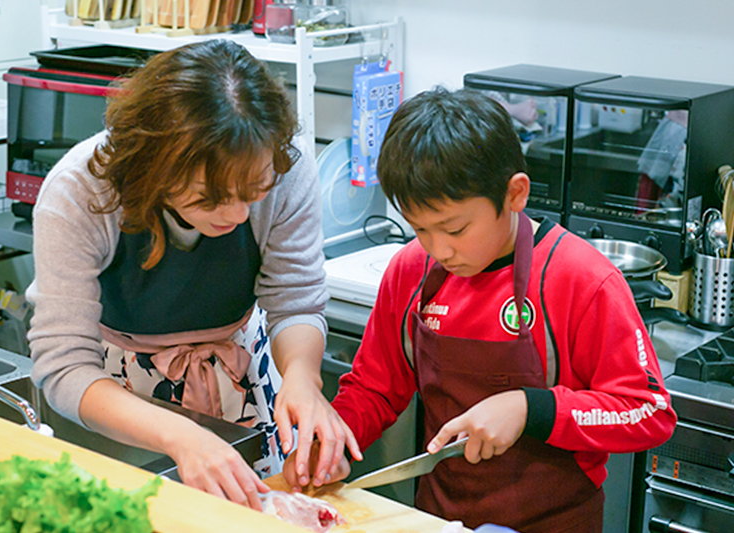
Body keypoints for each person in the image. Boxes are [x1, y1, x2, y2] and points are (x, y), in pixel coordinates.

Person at [282, 88, 677, 533]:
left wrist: (531, 408)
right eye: (421, 229)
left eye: (455, 228)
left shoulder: (580, 279)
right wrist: (332, 442)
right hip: (438, 519)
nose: (439, 249)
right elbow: (375, 388)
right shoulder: (412, 271)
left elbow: (648, 411)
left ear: (515, 194)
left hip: (555, 522)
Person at [26, 40, 360, 512]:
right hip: (118, 396)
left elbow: (295, 301)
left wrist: (302, 379)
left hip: (238, 368)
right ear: (154, 166)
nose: (240, 214)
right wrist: (183, 435)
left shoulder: (286, 166)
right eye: (210, 197)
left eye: (254, 191)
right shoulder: (81, 190)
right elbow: (64, 366)